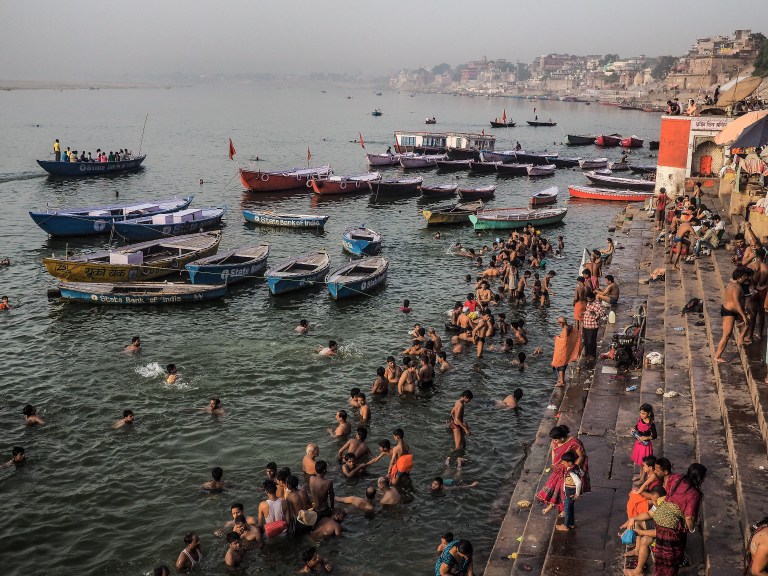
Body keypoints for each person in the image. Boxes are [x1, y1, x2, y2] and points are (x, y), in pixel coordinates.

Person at [537, 425, 590, 514]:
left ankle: (563, 510)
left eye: (556, 440)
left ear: (562, 438)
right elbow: (554, 451)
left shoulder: (574, 443)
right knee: (554, 487)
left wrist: (571, 468)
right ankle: (556, 506)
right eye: (553, 440)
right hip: (558, 468)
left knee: (563, 490)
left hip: (568, 469)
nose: (554, 442)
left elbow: (581, 456)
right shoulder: (555, 441)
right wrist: (554, 463)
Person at [715, 269, 750, 362]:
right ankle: (717, 356)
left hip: (735, 311)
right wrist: (743, 315)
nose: (746, 278)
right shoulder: (735, 287)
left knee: (749, 319)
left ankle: (741, 339)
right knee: (726, 335)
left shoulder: (736, 284)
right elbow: (736, 303)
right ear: (739, 278)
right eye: (744, 276)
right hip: (729, 312)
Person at [554, 450, 582, 531]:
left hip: (570, 493)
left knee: (566, 510)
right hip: (571, 493)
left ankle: (565, 526)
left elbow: (578, 482)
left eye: (564, 462)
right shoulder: (577, 467)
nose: (563, 463)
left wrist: (577, 493)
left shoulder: (571, 472)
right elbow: (582, 474)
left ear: (569, 463)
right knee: (571, 508)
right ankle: (571, 523)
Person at [551, 317, 580, 387]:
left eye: (559, 323)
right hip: (567, 350)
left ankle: (561, 381)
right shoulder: (570, 327)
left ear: (562, 323)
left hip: (563, 351)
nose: (558, 324)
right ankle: (562, 379)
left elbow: (563, 340)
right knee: (564, 364)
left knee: (560, 365)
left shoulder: (565, 329)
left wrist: (556, 338)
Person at [582, 292, 606, 360]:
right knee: (586, 341)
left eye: (589, 299)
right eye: (587, 299)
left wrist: (595, 314)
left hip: (592, 326)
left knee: (591, 341)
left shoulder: (597, 304)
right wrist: (583, 313)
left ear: (593, 298)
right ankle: (587, 353)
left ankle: (592, 355)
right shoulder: (588, 304)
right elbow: (588, 311)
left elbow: (602, 313)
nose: (588, 300)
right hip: (586, 325)